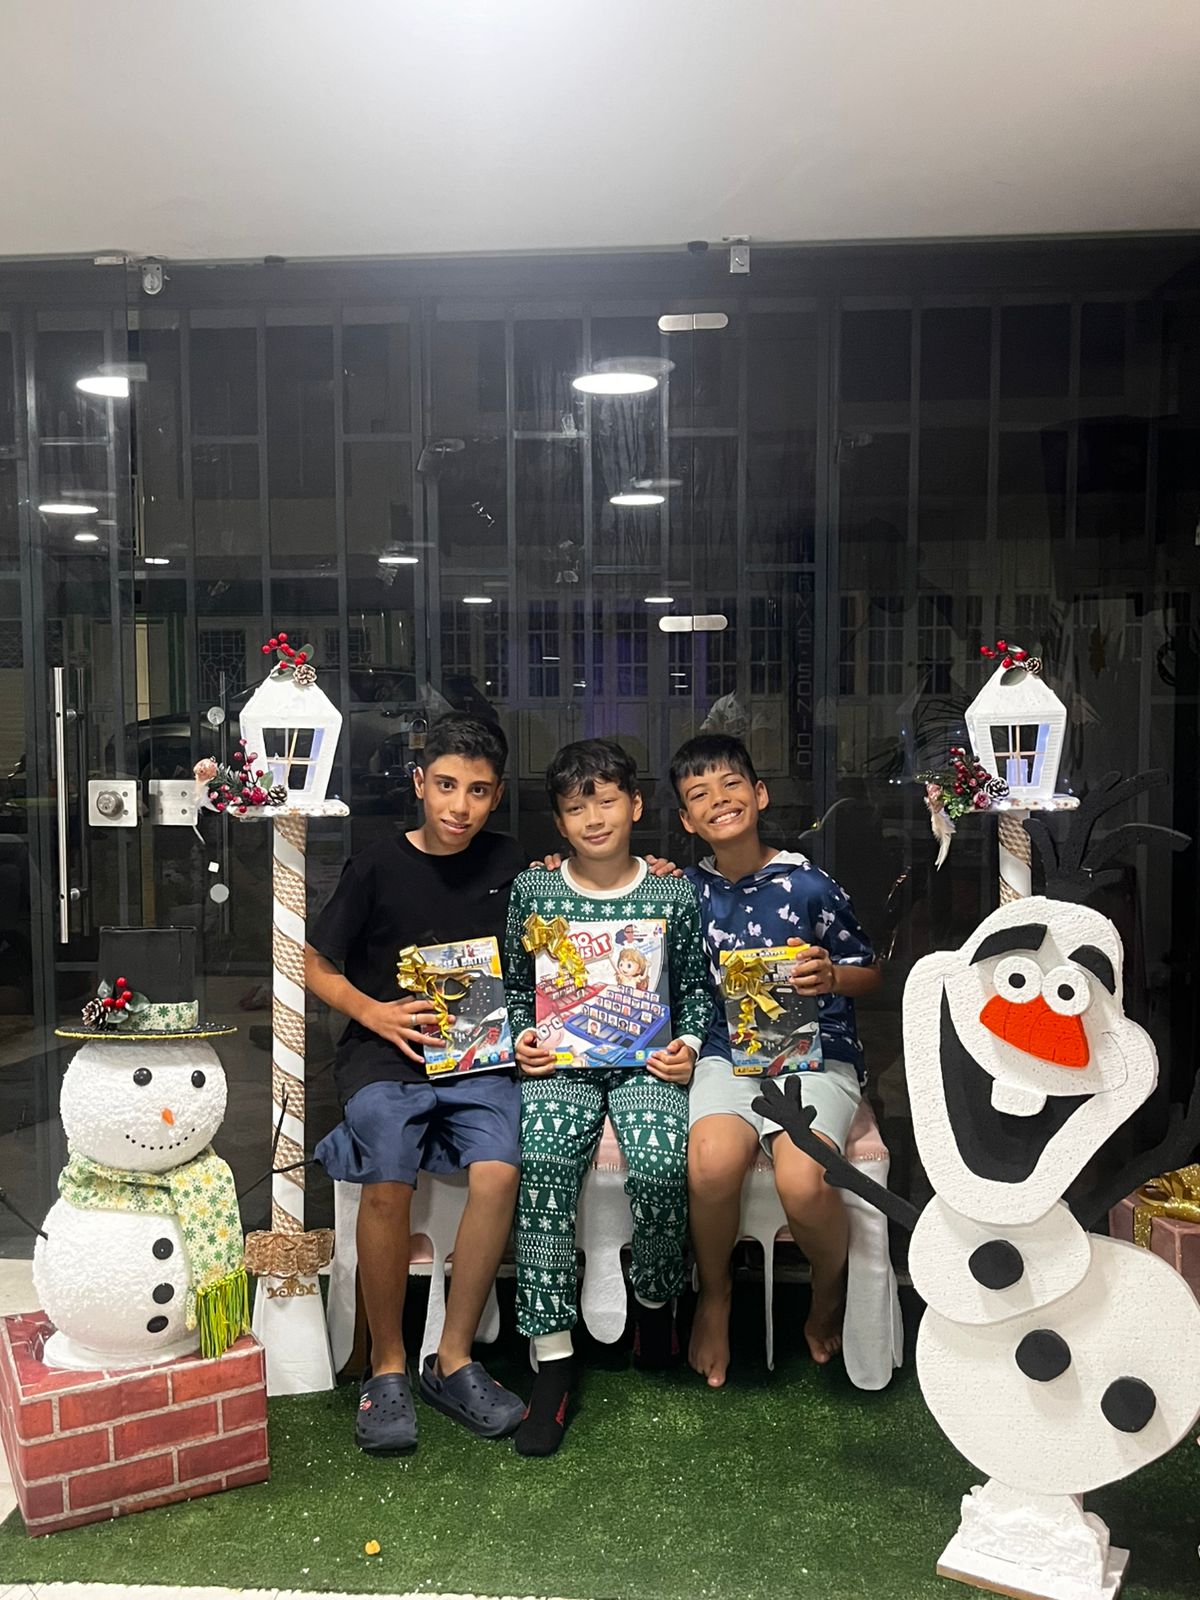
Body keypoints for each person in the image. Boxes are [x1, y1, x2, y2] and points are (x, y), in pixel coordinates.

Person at [306, 713, 527, 1453]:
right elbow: (313, 962)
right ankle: (388, 1364)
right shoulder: (375, 866)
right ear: (418, 784)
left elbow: (577, 891)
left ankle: (453, 1358)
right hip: (384, 1054)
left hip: (477, 1057)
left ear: (496, 796)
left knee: (499, 1169)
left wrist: (650, 872)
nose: (459, 806)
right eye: (445, 786)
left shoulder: (511, 863)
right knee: (387, 1169)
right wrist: (371, 1011)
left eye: (477, 791)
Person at [504, 738, 712, 1457]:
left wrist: (687, 1045)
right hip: (560, 1067)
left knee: (659, 1165)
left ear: (636, 805)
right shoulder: (534, 891)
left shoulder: (671, 892)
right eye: (575, 807)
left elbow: (694, 988)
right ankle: (554, 1359)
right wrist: (523, 1038)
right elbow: (515, 987)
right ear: (559, 822)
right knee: (543, 1164)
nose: (593, 818)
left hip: (645, 1063)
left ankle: (654, 1306)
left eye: (606, 801)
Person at [670, 733, 882, 1388]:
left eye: (731, 784)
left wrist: (833, 977)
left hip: (815, 1054)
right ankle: (715, 1296)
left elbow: (870, 971)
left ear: (759, 794)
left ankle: (827, 1289)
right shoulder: (682, 893)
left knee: (804, 1178)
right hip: (724, 1055)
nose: (719, 800)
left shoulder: (809, 884)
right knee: (709, 1164)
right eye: (699, 794)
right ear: (686, 820)